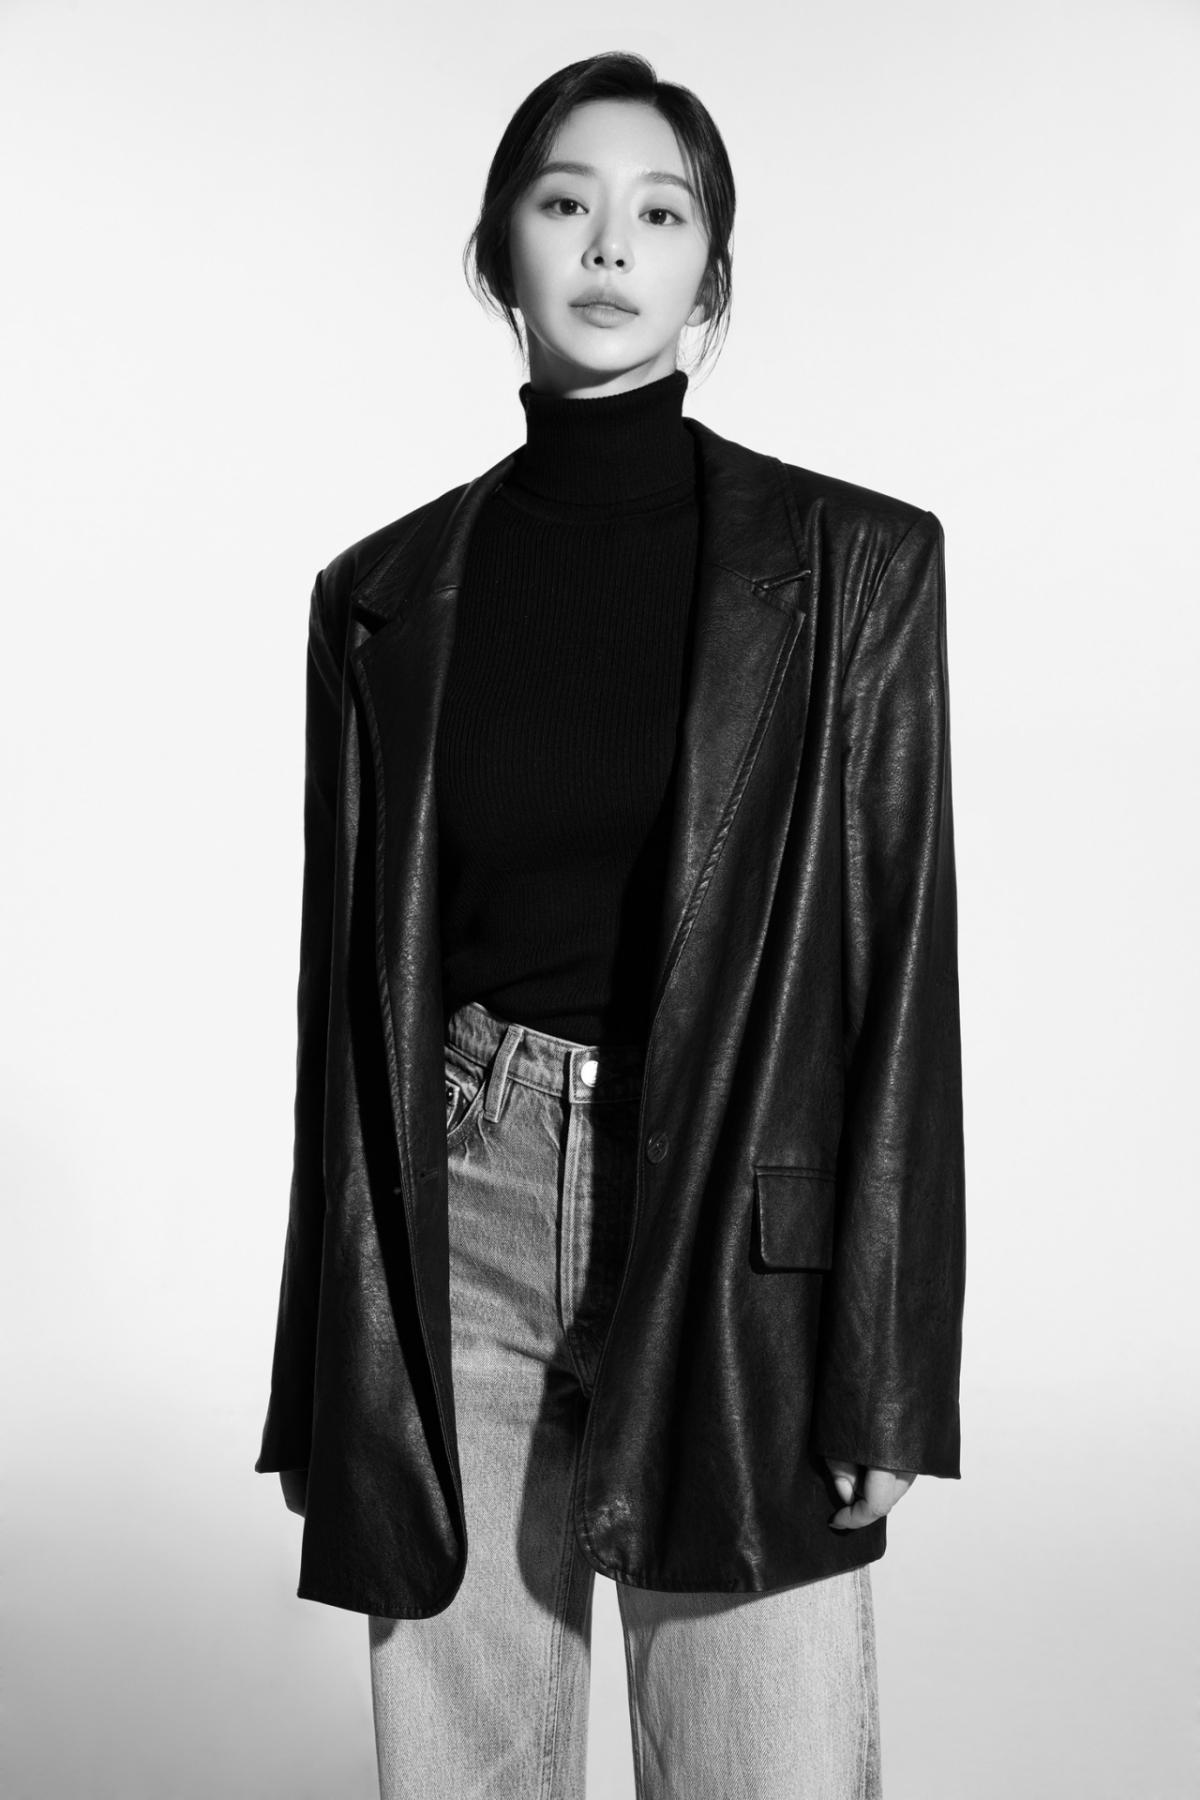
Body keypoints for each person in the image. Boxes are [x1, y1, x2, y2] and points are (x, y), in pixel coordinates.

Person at [257, 50, 965, 1800]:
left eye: (662, 213)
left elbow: (900, 969)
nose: (608, 245)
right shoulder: (381, 599)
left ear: (708, 275)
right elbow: (342, 1013)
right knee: (467, 1771)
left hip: (737, 1230)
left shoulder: (857, 569)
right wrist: (323, 1371)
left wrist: (890, 1364)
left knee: (766, 1766)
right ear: (498, 247)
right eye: (566, 200)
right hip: (464, 1214)